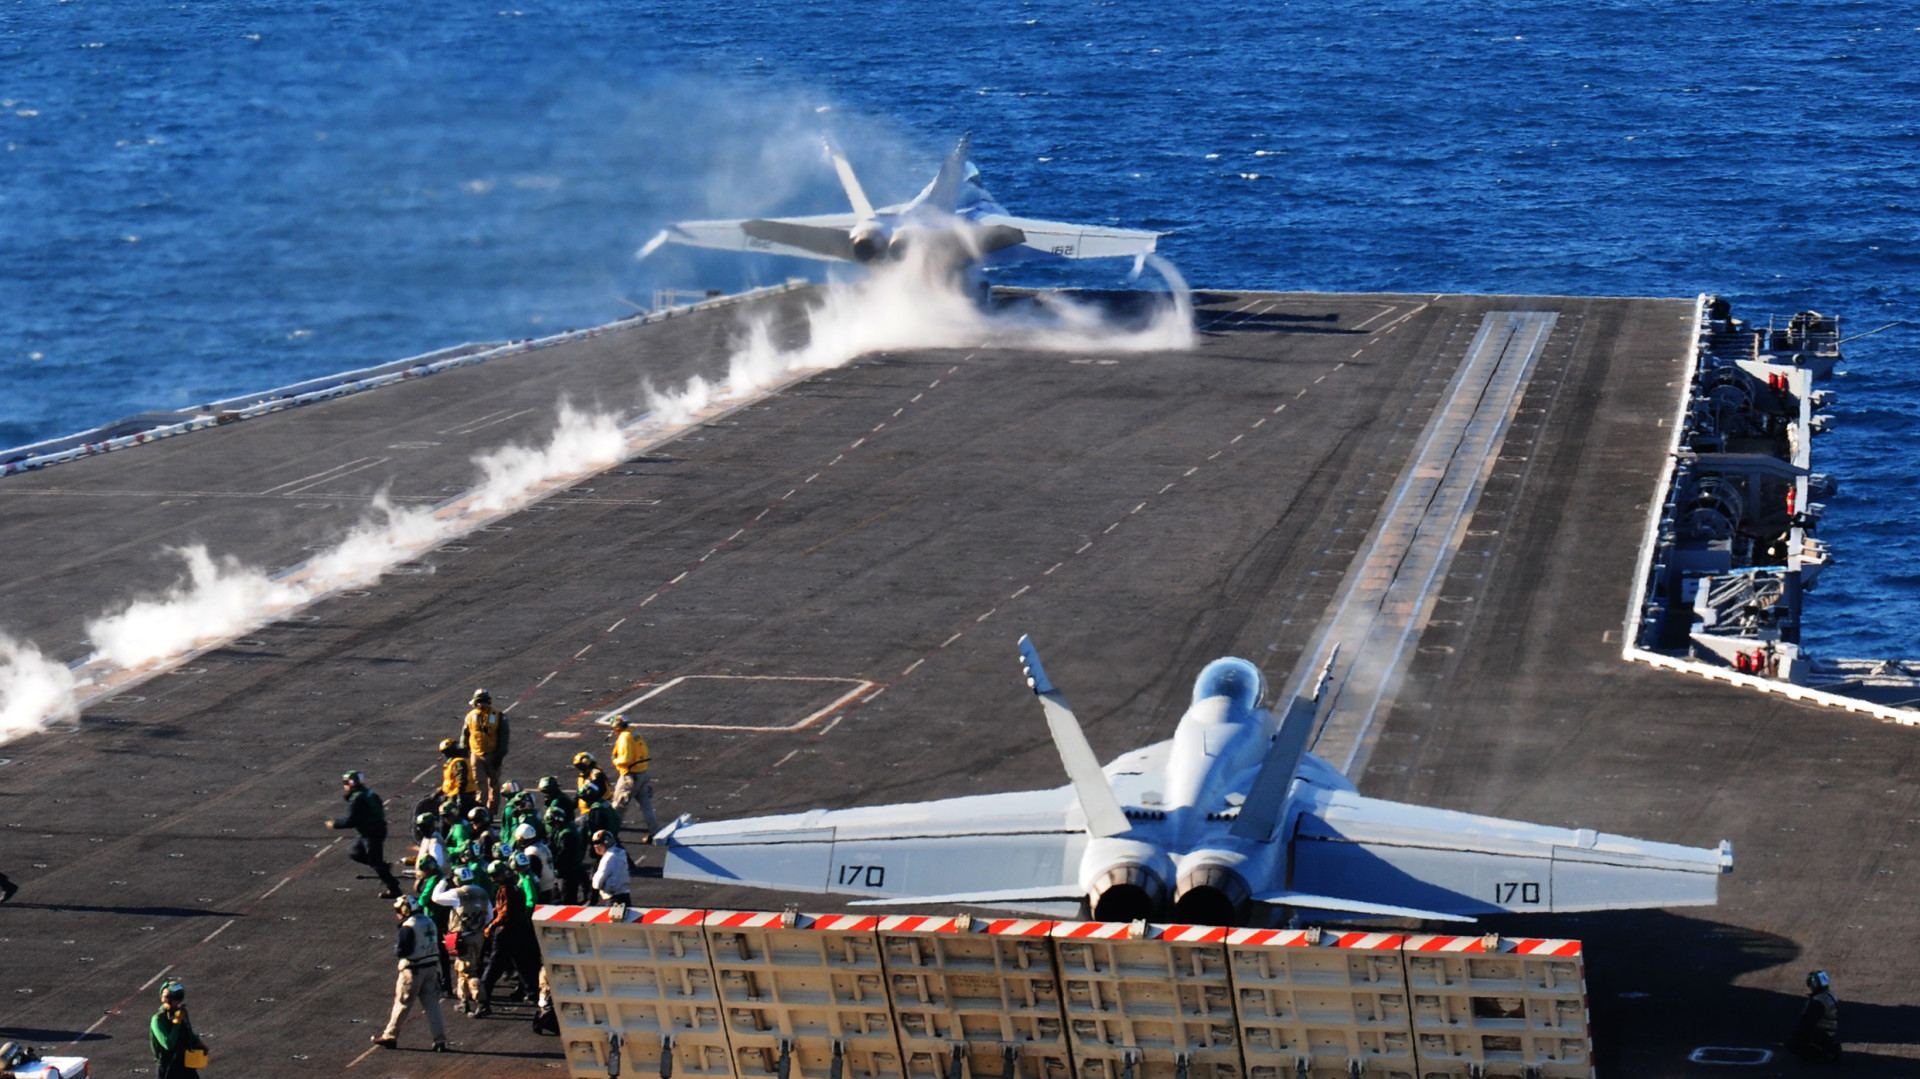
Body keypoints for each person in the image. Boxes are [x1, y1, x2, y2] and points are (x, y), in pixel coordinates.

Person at [372, 897, 449, 1052]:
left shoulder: (408, 926)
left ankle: (390, 1036)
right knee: (433, 1006)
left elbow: (402, 951)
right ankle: (440, 1040)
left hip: (413, 970)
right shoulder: (429, 921)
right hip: (431, 968)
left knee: (402, 1004)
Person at [476, 852, 543, 1017]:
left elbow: (505, 913)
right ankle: (533, 993)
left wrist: (492, 925)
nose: (493, 879)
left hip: (506, 933)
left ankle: (484, 1003)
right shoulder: (515, 886)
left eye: (495, 876)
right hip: (519, 931)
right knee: (522, 964)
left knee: (493, 968)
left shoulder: (506, 890)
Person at [326, 771, 403, 898]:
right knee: (355, 852)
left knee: (375, 862)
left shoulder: (358, 798)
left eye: (346, 783)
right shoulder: (368, 793)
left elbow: (351, 820)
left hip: (372, 833)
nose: (344, 786)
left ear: (351, 783)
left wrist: (335, 824)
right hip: (371, 831)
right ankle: (384, 868)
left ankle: (394, 888)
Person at [432, 867, 493, 1016]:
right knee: (462, 968)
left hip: (462, 937)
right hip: (478, 935)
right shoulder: (482, 892)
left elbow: (436, 898)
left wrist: (442, 882)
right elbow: (490, 916)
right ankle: (463, 1001)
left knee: (469, 971)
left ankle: (482, 1002)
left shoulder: (458, 893)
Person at [609, 716, 660, 838]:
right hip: (643, 773)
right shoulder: (634, 733)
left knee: (618, 806)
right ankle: (654, 831)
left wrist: (616, 761)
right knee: (646, 806)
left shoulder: (624, 738)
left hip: (630, 777)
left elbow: (626, 759)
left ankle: (612, 834)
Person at [460, 689, 509, 812]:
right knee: (479, 784)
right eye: (479, 702)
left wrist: (499, 755)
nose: (481, 705)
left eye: (483, 702)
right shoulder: (471, 716)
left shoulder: (498, 716)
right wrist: (462, 752)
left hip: (492, 755)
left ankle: (491, 811)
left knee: (494, 784)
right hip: (476, 755)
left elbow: (504, 737)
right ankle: (480, 811)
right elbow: (465, 734)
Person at [149, 979, 207, 1078]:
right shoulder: (158, 1020)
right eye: (175, 998)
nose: (178, 1002)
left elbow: (187, 1032)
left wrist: (198, 1043)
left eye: (180, 998)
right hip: (168, 1068)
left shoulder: (181, 1013)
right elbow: (168, 1044)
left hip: (184, 1063)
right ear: (167, 998)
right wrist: (176, 1023)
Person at [1788, 969, 1841, 1062]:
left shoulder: (1818, 1001)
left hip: (1821, 1033)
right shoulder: (1830, 994)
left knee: (1792, 1043)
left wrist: (1796, 1035)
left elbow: (1807, 1022)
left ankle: (1817, 1055)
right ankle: (1829, 1047)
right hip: (1830, 1032)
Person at [545, 803, 588, 904]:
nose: (553, 827)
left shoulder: (567, 834)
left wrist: (552, 862)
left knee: (567, 901)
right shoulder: (569, 826)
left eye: (553, 824)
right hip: (572, 868)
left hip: (567, 872)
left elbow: (564, 855)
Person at [590, 829, 630, 906]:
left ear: (606, 842)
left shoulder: (608, 859)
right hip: (625, 895)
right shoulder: (621, 853)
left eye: (598, 843)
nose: (595, 846)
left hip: (613, 899)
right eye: (594, 843)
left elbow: (597, 884)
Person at [438, 738, 475, 817]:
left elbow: (461, 781)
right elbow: (449, 783)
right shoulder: (457, 762)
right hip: (459, 793)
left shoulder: (458, 763)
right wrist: (437, 793)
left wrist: (459, 798)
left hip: (460, 795)